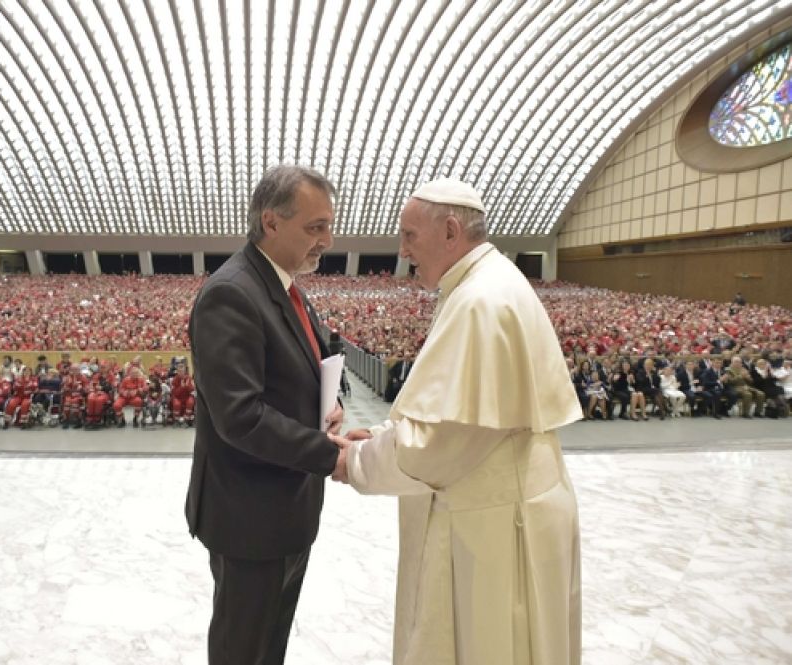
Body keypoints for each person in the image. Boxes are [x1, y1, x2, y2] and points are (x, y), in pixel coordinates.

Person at [330, 179, 581, 665]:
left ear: (450, 230)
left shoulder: (480, 301)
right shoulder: (485, 283)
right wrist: (383, 435)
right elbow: (452, 412)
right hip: (505, 499)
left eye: (409, 236)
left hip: (496, 522)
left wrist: (356, 462)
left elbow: (439, 443)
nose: (402, 252)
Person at [184, 165, 345, 665]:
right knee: (243, 650)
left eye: (328, 225)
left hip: (285, 511)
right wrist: (328, 454)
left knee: (268, 646)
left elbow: (315, 357)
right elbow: (241, 417)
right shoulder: (231, 293)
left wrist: (331, 402)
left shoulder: (284, 285)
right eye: (314, 227)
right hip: (249, 518)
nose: (326, 240)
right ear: (271, 223)